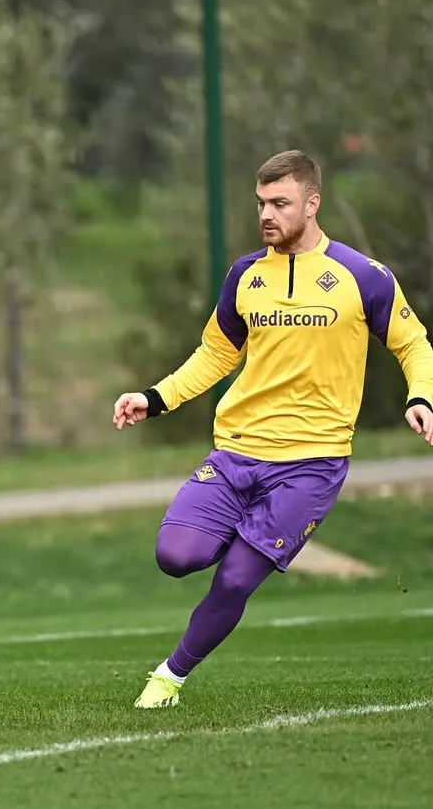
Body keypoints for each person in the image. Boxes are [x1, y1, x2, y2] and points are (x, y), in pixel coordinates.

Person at [112, 149, 433, 708]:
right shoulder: (245, 276)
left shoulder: (362, 277)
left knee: (236, 580)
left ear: (312, 204)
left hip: (312, 464)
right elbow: (214, 356)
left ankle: (169, 678)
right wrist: (154, 397)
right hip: (236, 455)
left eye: (280, 203)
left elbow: (413, 343)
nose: (267, 214)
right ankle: (249, 536)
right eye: (261, 203)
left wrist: (421, 396)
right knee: (175, 555)